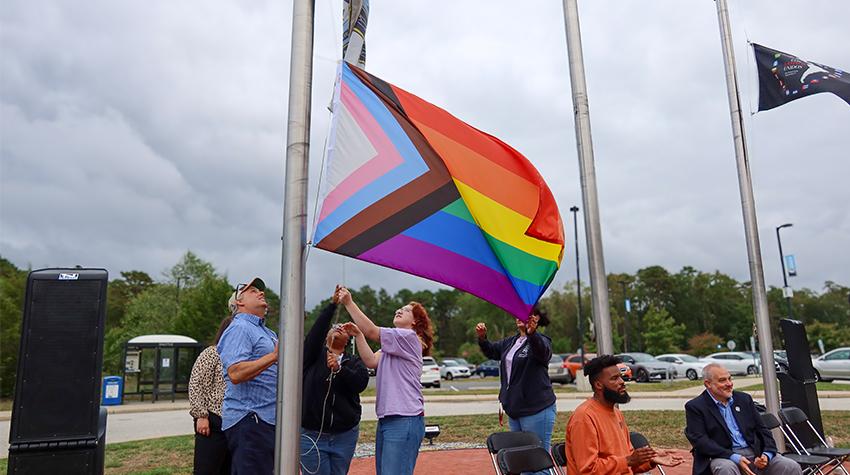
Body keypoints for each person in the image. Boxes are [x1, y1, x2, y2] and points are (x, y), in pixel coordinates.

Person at [335, 285, 433, 475]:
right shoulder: (393, 344)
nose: (399, 310)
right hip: (389, 418)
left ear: (415, 322)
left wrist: (348, 303)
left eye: (406, 310)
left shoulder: (409, 337)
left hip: (404, 418)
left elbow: (372, 331)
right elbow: (371, 361)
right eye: (400, 308)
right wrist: (358, 335)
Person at [566, 354, 683, 475]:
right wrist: (628, 460)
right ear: (598, 385)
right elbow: (587, 470)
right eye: (614, 378)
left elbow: (628, 464)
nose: (622, 382)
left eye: (621, 377)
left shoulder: (616, 413)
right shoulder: (584, 417)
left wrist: (650, 460)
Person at [685, 363, 802, 475]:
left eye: (729, 379)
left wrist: (766, 455)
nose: (729, 384)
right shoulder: (696, 407)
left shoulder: (744, 399)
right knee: (726, 468)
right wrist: (735, 457)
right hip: (722, 455)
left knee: (790, 466)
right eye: (722, 380)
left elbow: (763, 430)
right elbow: (701, 441)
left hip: (755, 453)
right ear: (708, 384)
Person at [300, 286, 370, 474]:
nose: (338, 327)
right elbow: (315, 332)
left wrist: (340, 370)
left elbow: (360, 384)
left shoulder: (353, 361)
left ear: (347, 341)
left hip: (344, 435)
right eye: (333, 327)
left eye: (342, 327)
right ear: (326, 337)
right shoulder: (313, 357)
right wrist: (332, 306)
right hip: (311, 433)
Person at [217, 277, 278, 475]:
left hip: (265, 420)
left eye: (260, 290)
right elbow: (235, 372)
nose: (261, 292)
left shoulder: (267, 332)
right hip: (250, 419)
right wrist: (274, 356)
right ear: (239, 302)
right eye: (252, 291)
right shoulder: (240, 327)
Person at [475, 306, 557, 453]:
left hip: (536, 409)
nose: (519, 316)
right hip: (515, 409)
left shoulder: (541, 340)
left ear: (536, 318)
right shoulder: (511, 342)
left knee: (537, 458)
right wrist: (483, 338)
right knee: (520, 457)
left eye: (525, 313)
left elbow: (543, 353)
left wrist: (532, 334)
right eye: (517, 313)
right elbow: (492, 351)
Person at [189, 316, 233, 475]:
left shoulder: (242, 357)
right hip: (212, 420)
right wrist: (201, 416)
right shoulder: (212, 353)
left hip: (234, 422)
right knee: (207, 468)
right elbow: (196, 384)